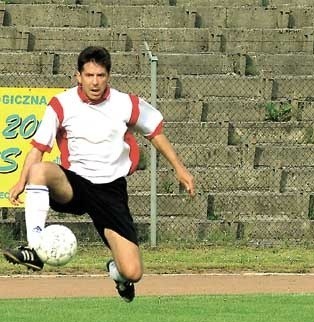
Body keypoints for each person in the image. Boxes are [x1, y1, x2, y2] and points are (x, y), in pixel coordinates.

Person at [3, 46, 195, 302]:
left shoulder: (126, 103)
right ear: (78, 76)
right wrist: (21, 181)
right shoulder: (61, 104)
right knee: (39, 171)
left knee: (133, 272)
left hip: (110, 190)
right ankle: (34, 249)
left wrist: (180, 168)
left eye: (101, 75)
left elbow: (155, 132)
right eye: (89, 75)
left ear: (108, 77)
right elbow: (38, 149)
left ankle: (116, 273)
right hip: (75, 184)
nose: (95, 81)